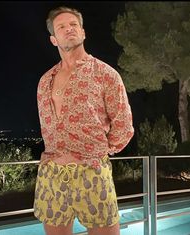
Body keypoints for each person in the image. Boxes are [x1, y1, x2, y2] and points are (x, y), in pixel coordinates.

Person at [34, 6, 134, 235]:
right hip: (52, 175)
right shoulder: (44, 81)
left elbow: (124, 125)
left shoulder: (106, 74)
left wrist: (96, 151)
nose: (69, 29)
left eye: (74, 25)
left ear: (83, 32)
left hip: (92, 172)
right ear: (53, 39)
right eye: (62, 27)